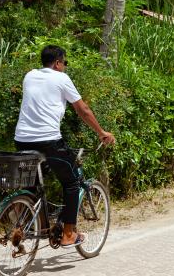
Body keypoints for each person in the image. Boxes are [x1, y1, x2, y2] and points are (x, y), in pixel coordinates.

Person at [14, 45, 116, 247]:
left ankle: (35, 226)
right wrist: (101, 132)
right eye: (65, 63)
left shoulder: (30, 76)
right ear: (58, 63)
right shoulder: (61, 78)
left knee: (32, 185)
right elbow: (82, 110)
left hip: (22, 139)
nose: (65, 67)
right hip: (49, 140)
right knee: (71, 183)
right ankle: (68, 234)